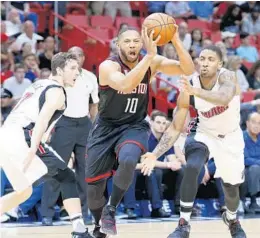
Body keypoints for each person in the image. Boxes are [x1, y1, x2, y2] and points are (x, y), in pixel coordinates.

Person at [86, 25, 194, 238]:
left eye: (137, 41)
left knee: (128, 160)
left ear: (142, 43)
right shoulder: (108, 66)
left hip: (134, 126)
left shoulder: (151, 62)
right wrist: (150, 57)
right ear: (118, 44)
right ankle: (100, 227)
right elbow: (125, 85)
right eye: (127, 41)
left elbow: (187, 69)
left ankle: (112, 208)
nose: (133, 45)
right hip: (105, 128)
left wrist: (176, 40)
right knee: (93, 190)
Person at [141, 45, 246, 238]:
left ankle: (232, 219)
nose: (204, 63)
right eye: (202, 58)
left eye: (210, 59)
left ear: (219, 64)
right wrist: (154, 153)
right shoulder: (188, 87)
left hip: (230, 136)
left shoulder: (227, 77)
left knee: (231, 187)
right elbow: (175, 127)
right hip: (204, 132)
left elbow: (223, 98)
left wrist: (195, 91)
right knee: (192, 166)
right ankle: (183, 224)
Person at [0, 52, 94, 238]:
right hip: (23, 136)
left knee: (24, 191)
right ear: (59, 70)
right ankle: (79, 230)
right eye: (73, 68)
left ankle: (79, 229)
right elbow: (42, 120)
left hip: (6, 135)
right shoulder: (57, 91)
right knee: (67, 176)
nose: (78, 72)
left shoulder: (38, 84)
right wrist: (34, 148)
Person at [41, 46, 99, 226]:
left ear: (83, 57)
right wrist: (47, 129)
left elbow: (95, 105)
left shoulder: (90, 77)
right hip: (63, 123)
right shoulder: (60, 77)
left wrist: (95, 128)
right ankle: (47, 213)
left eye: (78, 55)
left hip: (84, 125)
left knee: (86, 171)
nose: (75, 59)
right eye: (71, 57)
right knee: (57, 168)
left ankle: (83, 213)